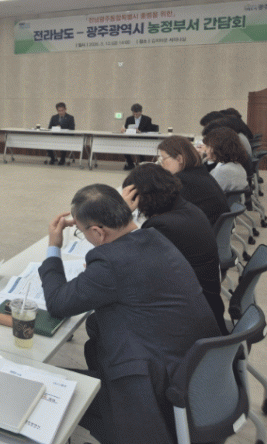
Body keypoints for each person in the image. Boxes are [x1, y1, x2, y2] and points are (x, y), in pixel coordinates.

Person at [39, 184, 220, 444]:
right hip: (193, 372)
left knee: (46, 386)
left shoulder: (111, 263)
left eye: (81, 231)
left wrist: (54, 247)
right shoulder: (155, 238)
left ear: (98, 232)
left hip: (154, 392)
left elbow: (57, 303)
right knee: (95, 326)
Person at [122, 164, 228, 334]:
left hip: (191, 322)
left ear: (141, 197)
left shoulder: (162, 225)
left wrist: (123, 215)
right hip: (207, 307)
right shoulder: (187, 208)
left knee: (106, 317)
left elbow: (130, 264)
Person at [156, 136, 229, 226]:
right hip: (214, 227)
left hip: (203, 229)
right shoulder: (199, 171)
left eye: (163, 159)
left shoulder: (184, 180)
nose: (161, 164)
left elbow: (167, 211)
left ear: (179, 159)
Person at [203, 126, 250, 192]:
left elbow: (206, 192)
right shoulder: (237, 166)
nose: (205, 150)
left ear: (218, 148)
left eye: (208, 146)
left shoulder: (221, 172)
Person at [122, 103, 153, 170]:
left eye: (137, 113)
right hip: (131, 139)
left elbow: (149, 131)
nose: (135, 115)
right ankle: (130, 164)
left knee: (140, 148)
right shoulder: (129, 119)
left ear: (141, 112)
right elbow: (126, 128)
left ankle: (142, 164)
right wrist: (124, 130)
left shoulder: (147, 119)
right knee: (124, 147)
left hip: (142, 139)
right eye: (134, 113)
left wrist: (140, 131)